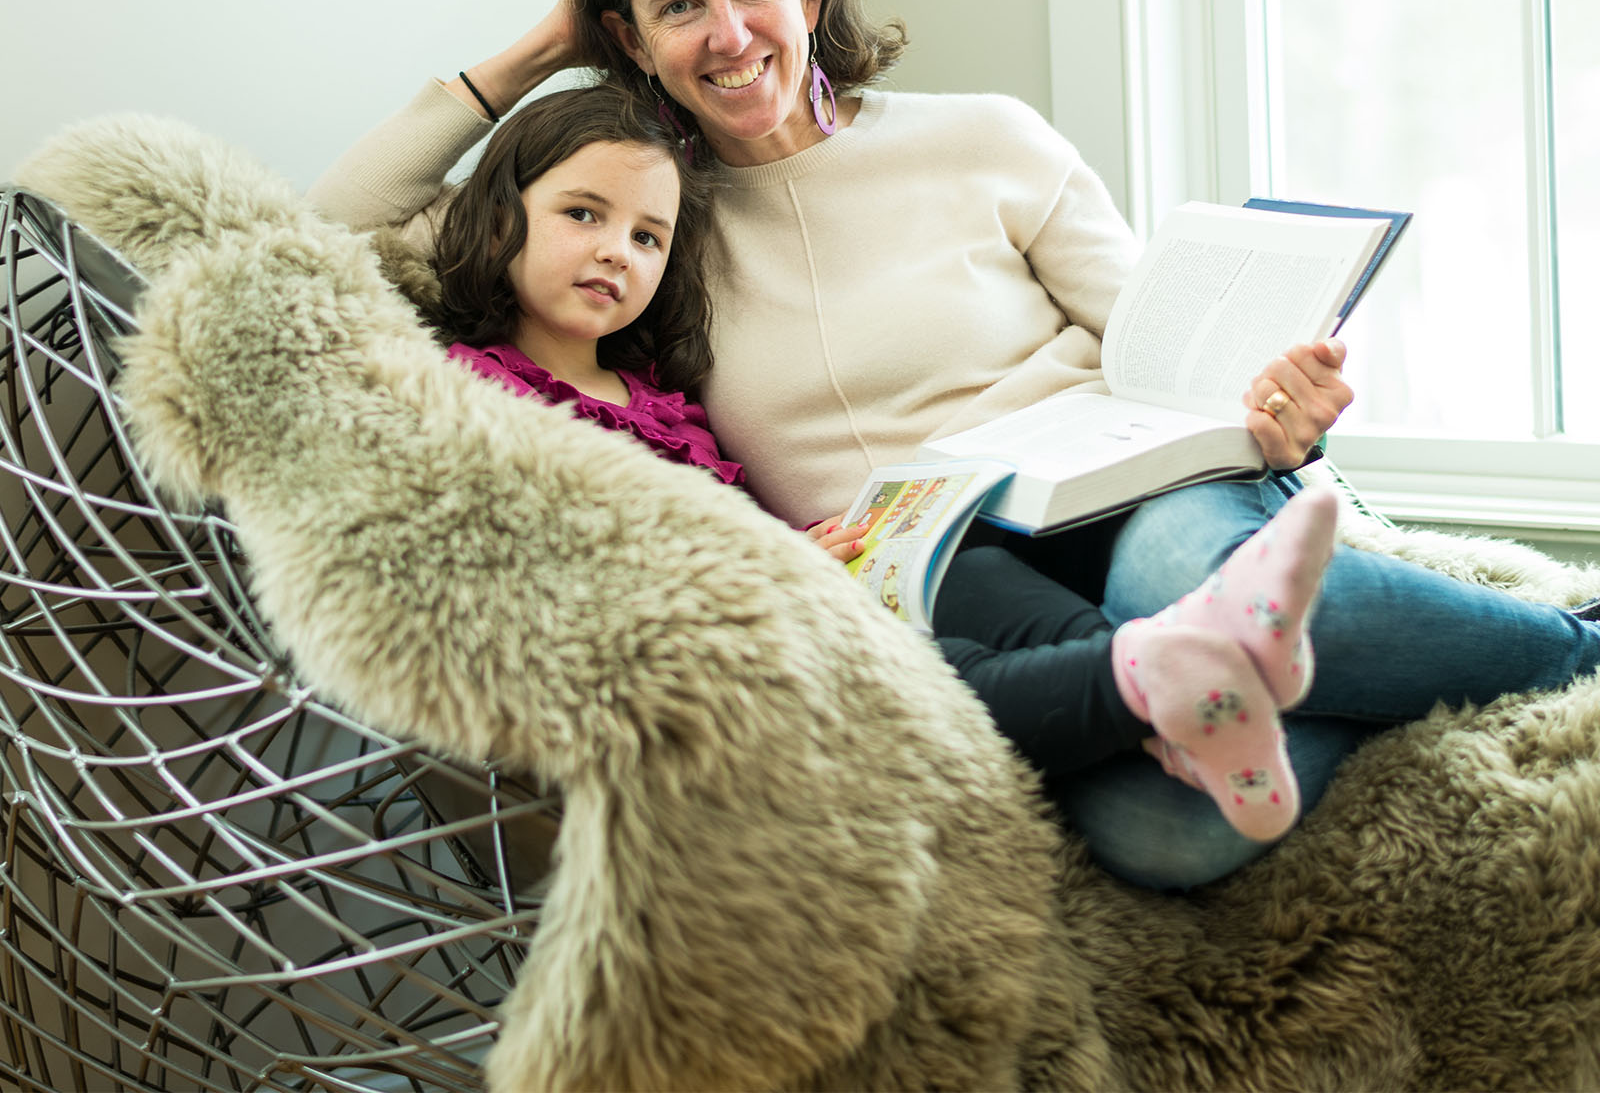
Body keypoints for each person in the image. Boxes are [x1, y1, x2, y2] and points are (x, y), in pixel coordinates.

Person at [309, 0, 1600, 889]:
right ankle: (1273, 678)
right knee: (1169, 835)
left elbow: (1172, 355)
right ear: (629, 39)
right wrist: (542, 48)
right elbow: (334, 228)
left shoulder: (986, 139)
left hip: (1135, 494)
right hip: (937, 580)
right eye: (678, 7)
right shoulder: (639, 215)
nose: (730, 32)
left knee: (1178, 568)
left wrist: (1280, 418)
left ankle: (1563, 651)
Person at [411, 75, 1341, 842]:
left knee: (969, 591)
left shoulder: (655, 386)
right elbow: (565, 565)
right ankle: (1151, 677)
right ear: (500, 219)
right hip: (708, 656)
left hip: (814, 581)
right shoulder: (474, 394)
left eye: (648, 237)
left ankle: (1183, 693)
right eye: (582, 214)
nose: (616, 251)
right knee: (940, 672)